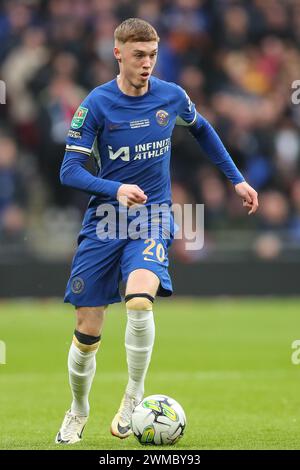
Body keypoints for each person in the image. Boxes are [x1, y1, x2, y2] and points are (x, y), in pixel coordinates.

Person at [55, 18, 258, 444]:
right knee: (88, 330)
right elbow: (69, 169)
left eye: (152, 54)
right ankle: (78, 408)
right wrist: (115, 188)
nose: (147, 63)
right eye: (138, 55)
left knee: (140, 301)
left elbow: (202, 129)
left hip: (153, 217)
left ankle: (133, 394)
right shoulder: (96, 104)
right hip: (105, 222)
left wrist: (236, 178)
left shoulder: (173, 96)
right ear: (118, 54)